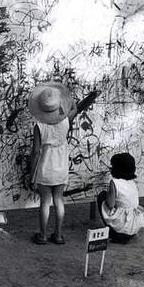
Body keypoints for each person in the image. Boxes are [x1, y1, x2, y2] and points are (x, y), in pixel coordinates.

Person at [28, 81, 101, 245]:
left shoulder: (39, 126)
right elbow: (75, 108)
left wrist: (32, 175)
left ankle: (43, 235)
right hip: (61, 167)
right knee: (59, 200)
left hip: (44, 168)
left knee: (45, 202)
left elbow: (35, 152)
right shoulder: (65, 120)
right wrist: (68, 97)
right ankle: (59, 235)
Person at [97, 153, 144, 244]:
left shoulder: (114, 182)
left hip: (122, 227)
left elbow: (110, 205)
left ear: (116, 168)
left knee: (101, 196)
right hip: (135, 225)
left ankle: (114, 234)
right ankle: (128, 234)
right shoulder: (132, 182)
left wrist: (108, 194)